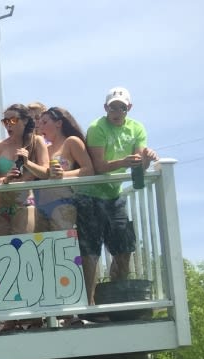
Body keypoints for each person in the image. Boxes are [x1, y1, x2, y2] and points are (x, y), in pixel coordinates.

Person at [75, 87, 157, 304]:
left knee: (124, 247)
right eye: (113, 107)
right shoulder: (97, 127)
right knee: (90, 251)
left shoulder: (137, 128)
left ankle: (117, 296)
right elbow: (98, 166)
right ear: (106, 108)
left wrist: (147, 159)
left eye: (122, 107)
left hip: (114, 196)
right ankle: (90, 304)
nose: (117, 111)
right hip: (89, 196)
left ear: (128, 108)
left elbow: (138, 166)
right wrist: (123, 162)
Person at [0, 104, 47, 236]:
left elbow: (46, 173)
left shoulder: (37, 141)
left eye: (13, 120)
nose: (8, 124)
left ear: (25, 120)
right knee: (3, 252)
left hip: (24, 202)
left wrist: (27, 162)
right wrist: (5, 180)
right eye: (5, 121)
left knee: (25, 249)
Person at [35, 107, 94, 233]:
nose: (41, 127)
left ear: (59, 123)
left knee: (62, 245)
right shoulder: (44, 149)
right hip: (40, 206)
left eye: (45, 122)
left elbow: (88, 170)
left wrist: (63, 175)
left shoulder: (71, 142)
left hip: (62, 203)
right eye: (40, 124)